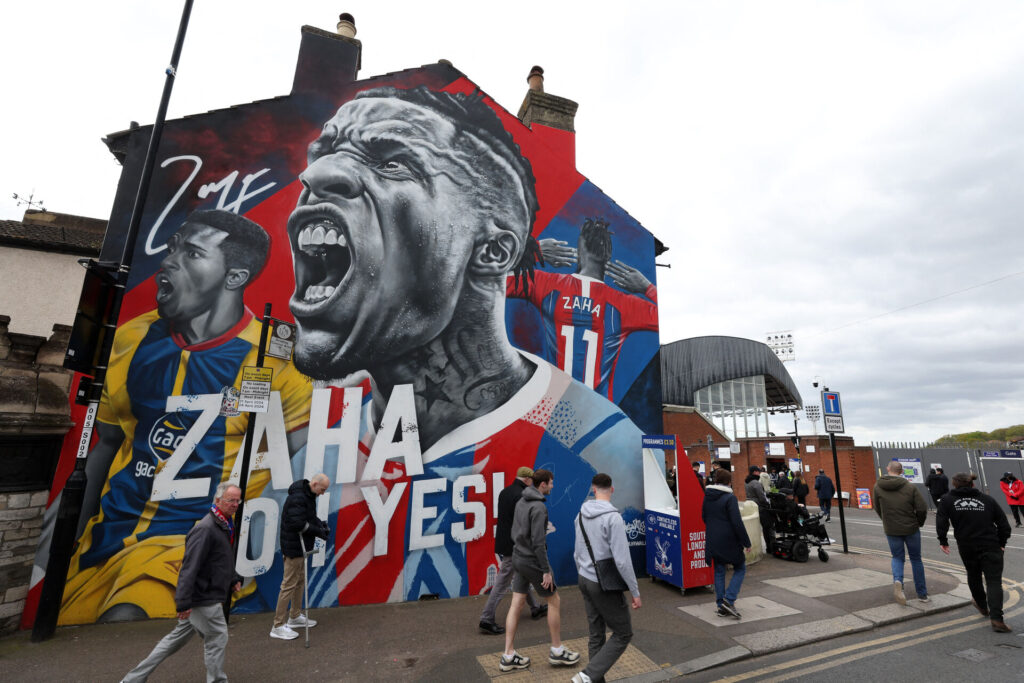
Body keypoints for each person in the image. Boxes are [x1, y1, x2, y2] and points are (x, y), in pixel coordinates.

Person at [287, 86, 646, 604]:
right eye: (325, 152)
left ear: (492, 250)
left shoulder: (599, 450)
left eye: (392, 163)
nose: (316, 174)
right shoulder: (311, 455)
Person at [62, 210, 312, 625]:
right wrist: (61, 546)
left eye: (192, 253)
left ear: (234, 277)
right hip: (101, 547)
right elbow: (105, 445)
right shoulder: (130, 337)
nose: (169, 261)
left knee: (126, 618)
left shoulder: (276, 358)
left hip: (191, 545)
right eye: (173, 246)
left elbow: (296, 468)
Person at [507, 217, 658, 398]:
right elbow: (661, 318)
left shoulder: (546, 285)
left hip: (557, 410)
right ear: (608, 256)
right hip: (599, 417)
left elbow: (487, 280)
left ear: (579, 251)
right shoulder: (623, 305)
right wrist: (647, 287)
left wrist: (532, 252)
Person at [121, 483, 243, 683]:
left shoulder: (225, 525)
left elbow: (220, 559)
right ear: (218, 500)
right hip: (203, 597)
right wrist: (184, 602)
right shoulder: (205, 529)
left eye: (238, 500)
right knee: (218, 637)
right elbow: (189, 567)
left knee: (173, 641)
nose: (235, 504)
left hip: (202, 595)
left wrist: (233, 578)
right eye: (231, 500)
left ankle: (132, 679)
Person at [500, 469, 580, 671]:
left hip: (518, 557)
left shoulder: (521, 501)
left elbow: (514, 531)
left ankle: (508, 655)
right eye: (551, 483)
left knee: (516, 603)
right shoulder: (538, 508)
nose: (553, 486)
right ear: (542, 484)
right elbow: (538, 543)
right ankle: (557, 651)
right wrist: (545, 570)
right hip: (533, 561)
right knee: (554, 600)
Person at [571, 473, 641, 683]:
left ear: (594, 489)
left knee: (596, 634)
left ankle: (591, 679)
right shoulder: (613, 518)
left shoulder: (580, 515)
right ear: (612, 489)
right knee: (623, 633)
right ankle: (587, 675)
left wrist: (583, 573)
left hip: (584, 578)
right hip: (604, 584)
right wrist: (635, 592)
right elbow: (622, 561)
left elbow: (576, 552)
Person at [936, 472, 1012, 632]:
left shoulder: (948, 500)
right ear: (973, 484)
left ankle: (982, 606)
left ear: (954, 485)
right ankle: (997, 619)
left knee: (973, 575)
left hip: (967, 545)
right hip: (990, 544)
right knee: (993, 581)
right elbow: (1004, 524)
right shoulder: (987, 499)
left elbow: (942, 521)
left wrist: (943, 540)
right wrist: (1002, 543)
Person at [478, 466, 544, 635]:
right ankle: (486, 618)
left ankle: (535, 607)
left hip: (504, 542)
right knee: (502, 582)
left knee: (522, 575)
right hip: (514, 545)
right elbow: (523, 524)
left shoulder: (505, 492)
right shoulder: (521, 496)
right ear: (528, 480)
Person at [270, 473, 331, 640]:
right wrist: (318, 531)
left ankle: (295, 616)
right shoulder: (298, 497)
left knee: (299, 582)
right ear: (315, 483)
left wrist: (320, 525)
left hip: (300, 546)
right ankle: (278, 625)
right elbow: (297, 523)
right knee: (289, 584)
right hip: (294, 547)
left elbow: (308, 518)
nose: (323, 493)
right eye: (323, 489)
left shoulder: (308, 496)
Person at [873, 460, 929, 605]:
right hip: (911, 527)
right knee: (916, 559)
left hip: (891, 528)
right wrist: (919, 522)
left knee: (897, 557)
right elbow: (922, 508)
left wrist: (886, 520)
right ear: (901, 471)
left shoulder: (878, 487)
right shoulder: (910, 487)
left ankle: (898, 581)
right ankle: (922, 594)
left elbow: (877, 507)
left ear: (887, 468)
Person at [703, 469, 751, 619]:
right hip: (729, 540)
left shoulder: (707, 497)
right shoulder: (730, 498)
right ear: (729, 482)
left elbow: (704, 517)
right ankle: (729, 599)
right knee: (740, 567)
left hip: (712, 539)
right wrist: (746, 542)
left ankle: (720, 605)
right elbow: (737, 522)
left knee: (719, 570)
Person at [745, 466, 774, 553]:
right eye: (758, 471)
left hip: (750, 506)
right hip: (760, 507)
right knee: (767, 527)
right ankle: (770, 548)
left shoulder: (746, 482)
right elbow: (761, 497)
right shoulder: (756, 483)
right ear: (754, 472)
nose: (759, 473)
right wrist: (767, 504)